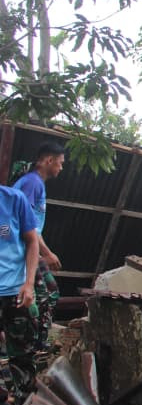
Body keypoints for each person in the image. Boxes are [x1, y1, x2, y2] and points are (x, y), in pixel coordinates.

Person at [12, 141, 64, 350]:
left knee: (47, 292)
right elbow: (25, 225)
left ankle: (34, 341)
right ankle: (34, 344)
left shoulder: (34, 184)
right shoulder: (32, 183)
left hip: (26, 249)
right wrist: (47, 253)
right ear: (48, 160)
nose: (61, 168)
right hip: (18, 250)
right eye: (59, 163)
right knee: (46, 294)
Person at [0, 184, 40, 405]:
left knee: (22, 354)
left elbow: (32, 242)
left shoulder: (14, 199)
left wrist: (29, 283)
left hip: (14, 291)